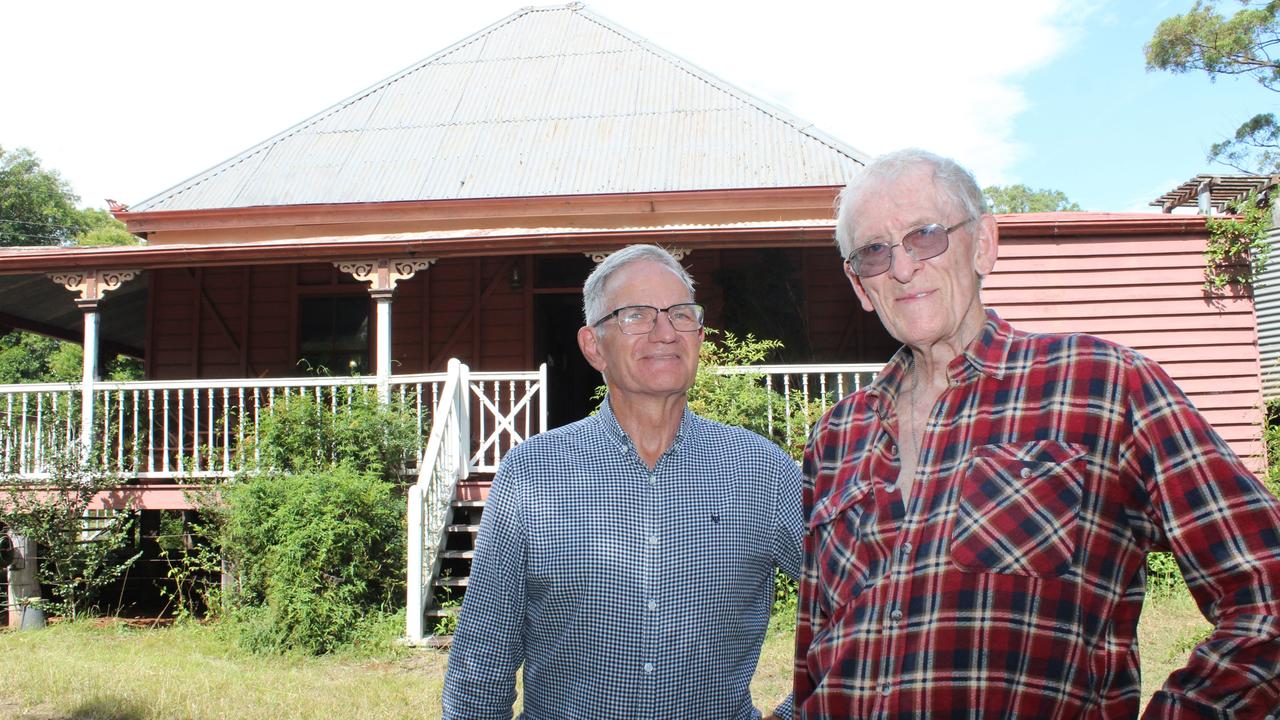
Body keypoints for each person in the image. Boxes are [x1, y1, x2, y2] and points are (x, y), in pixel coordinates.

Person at [793, 149, 1280, 718]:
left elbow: (1266, 589)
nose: (902, 267)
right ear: (858, 284)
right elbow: (813, 651)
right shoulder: (834, 436)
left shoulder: (1101, 384)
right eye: (874, 251)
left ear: (983, 245)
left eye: (925, 236)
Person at [443, 244, 804, 719]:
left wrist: (798, 711)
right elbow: (483, 654)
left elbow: (859, 604)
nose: (665, 331)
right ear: (594, 346)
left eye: (680, 314)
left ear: (699, 335)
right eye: (636, 315)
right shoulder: (532, 474)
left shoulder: (764, 472)